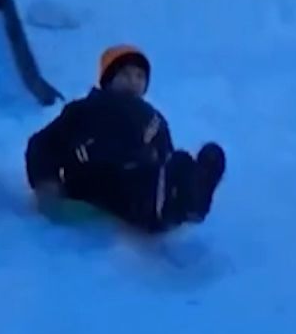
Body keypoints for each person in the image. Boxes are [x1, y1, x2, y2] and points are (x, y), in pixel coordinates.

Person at [24, 45, 226, 233]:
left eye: (140, 76)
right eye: (125, 74)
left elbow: (165, 154)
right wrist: (46, 182)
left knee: (178, 163)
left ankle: (190, 194)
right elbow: (43, 145)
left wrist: (169, 167)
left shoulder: (153, 119)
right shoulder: (85, 110)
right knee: (146, 186)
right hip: (94, 180)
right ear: (108, 79)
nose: (133, 81)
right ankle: (173, 201)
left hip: (142, 181)